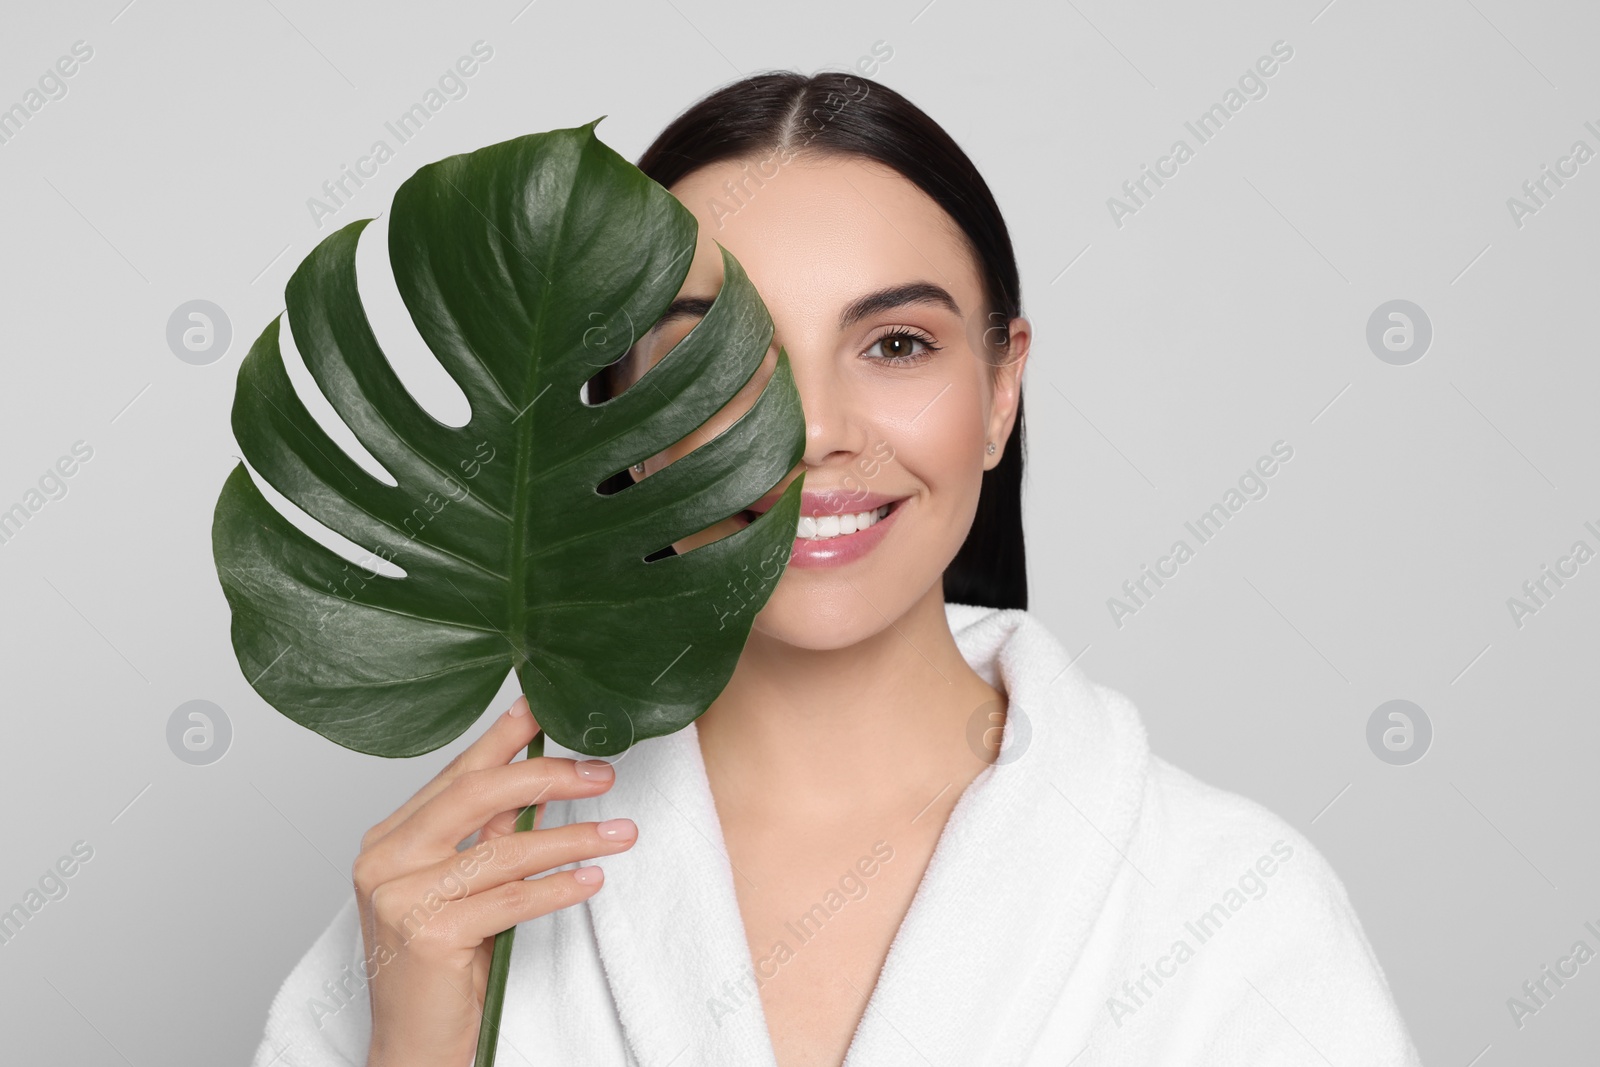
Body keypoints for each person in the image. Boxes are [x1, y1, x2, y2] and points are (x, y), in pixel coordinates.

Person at [251, 71, 1422, 1067]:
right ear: (612, 410)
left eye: (897, 343)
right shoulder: (449, 915)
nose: (811, 430)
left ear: (1000, 387)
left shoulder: (1229, 903)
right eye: (717, 353)